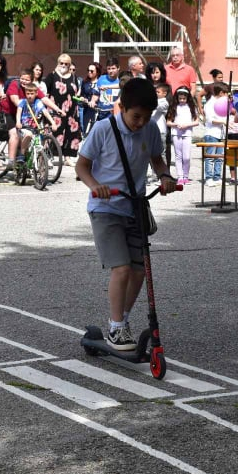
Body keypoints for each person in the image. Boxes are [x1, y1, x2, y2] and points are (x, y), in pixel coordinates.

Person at [74, 78, 177, 350]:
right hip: (106, 209)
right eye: (136, 117)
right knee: (121, 268)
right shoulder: (103, 129)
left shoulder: (151, 129)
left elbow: (157, 159)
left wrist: (165, 176)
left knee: (139, 270)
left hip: (135, 206)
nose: (141, 123)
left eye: (146, 117)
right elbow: (81, 166)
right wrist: (96, 186)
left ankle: (123, 321)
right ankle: (116, 328)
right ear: (122, 107)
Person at [0, 69, 62, 170]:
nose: (23, 81)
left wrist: (57, 109)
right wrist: (25, 106)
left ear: (32, 81)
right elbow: (15, 100)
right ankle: (11, 162)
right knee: (14, 134)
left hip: (26, 115)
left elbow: (44, 99)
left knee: (34, 135)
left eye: (27, 80)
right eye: (22, 79)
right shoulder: (14, 84)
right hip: (10, 112)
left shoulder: (32, 88)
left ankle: (27, 161)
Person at [44, 53, 82, 165]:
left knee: (71, 134)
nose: (64, 65)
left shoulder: (74, 77)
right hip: (55, 110)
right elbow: (45, 92)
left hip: (71, 111)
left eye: (66, 63)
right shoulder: (52, 76)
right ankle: (48, 156)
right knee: (53, 133)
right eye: (61, 63)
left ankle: (67, 158)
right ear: (58, 63)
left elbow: (76, 92)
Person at [166, 86, 199, 185]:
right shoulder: (174, 107)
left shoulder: (191, 108)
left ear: (188, 98)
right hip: (176, 133)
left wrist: (187, 125)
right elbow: (168, 122)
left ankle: (186, 176)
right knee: (178, 156)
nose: (182, 100)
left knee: (187, 157)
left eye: (184, 99)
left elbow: (196, 122)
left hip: (187, 133)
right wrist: (175, 124)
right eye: (180, 99)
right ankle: (180, 177)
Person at [15, 82, 55, 163]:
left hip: (35, 127)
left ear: (36, 93)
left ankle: (41, 161)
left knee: (42, 138)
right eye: (28, 93)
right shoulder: (23, 102)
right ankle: (21, 155)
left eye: (32, 93)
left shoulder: (38, 102)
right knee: (29, 135)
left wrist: (53, 122)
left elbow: (45, 112)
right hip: (24, 127)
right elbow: (18, 112)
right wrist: (18, 122)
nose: (29, 95)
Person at [202, 82, 229, 187]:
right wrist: (223, 122)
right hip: (212, 133)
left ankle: (217, 177)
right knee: (210, 156)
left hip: (220, 134)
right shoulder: (210, 104)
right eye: (226, 94)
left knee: (219, 157)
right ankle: (208, 178)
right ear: (221, 93)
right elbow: (210, 120)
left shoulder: (221, 104)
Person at [78, 62, 100, 135]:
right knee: (85, 130)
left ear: (97, 72)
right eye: (88, 70)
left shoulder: (101, 82)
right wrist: (83, 99)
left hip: (98, 110)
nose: (89, 72)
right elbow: (82, 94)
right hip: (87, 109)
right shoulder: (85, 82)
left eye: (92, 71)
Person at [96, 57, 121, 122]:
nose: (111, 71)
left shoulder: (121, 80)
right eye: (109, 69)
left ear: (118, 68)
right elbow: (96, 93)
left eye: (113, 68)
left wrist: (108, 87)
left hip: (116, 112)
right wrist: (93, 101)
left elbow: (122, 85)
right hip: (102, 113)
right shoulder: (101, 79)